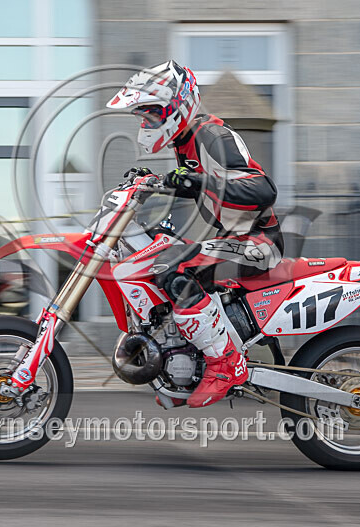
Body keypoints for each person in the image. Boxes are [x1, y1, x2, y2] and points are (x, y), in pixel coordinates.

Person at [107, 60, 284, 408]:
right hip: (234, 239)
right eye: (143, 116)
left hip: (259, 243)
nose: (147, 122)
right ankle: (179, 365)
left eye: (152, 113)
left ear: (178, 106)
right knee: (160, 257)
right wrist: (161, 198)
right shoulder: (186, 141)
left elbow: (263, 189)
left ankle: (225, 364)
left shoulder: (212, 136)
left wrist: (195, 180)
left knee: (178, 270)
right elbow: (200, 195)